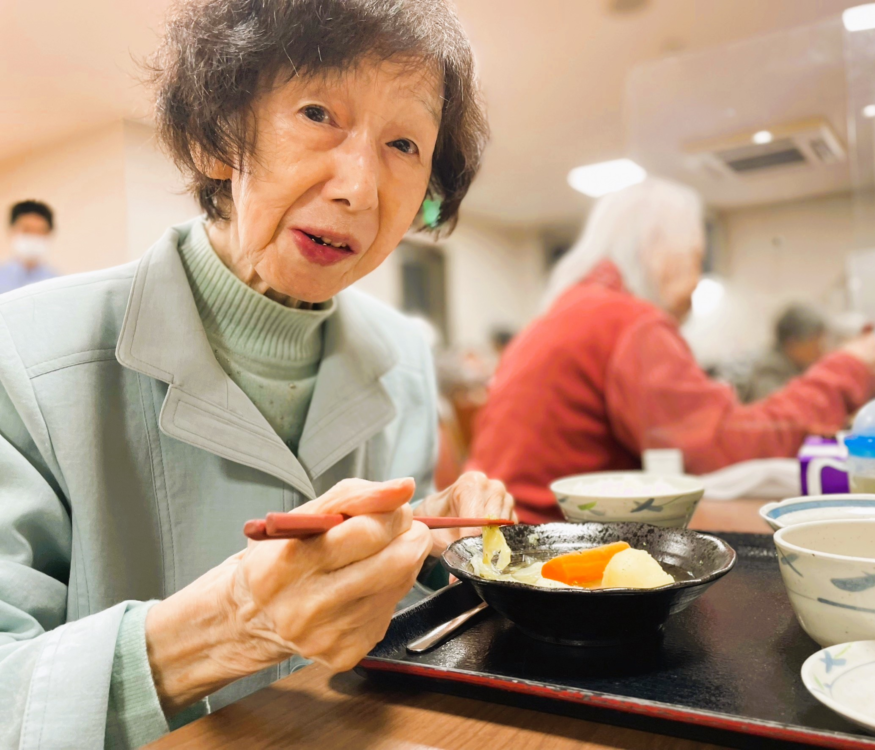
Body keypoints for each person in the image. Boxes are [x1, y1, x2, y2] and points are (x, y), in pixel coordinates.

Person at [0, 2, 516, 747]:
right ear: (216, 137)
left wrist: (430, 546)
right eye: (317, 113)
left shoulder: (402, 356)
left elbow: (386, 641)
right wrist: (238, 623)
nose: (360, 190)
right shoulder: (22, 354)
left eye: (403, 144)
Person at [466, 179, 875, 524]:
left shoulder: (572, 308)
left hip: (490, 544)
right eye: (696, 259)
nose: (697, 282)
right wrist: (849, 368)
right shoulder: (630, 321)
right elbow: (724, 448)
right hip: (542, 560)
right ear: (658, 249)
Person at [739, 304, 829, 402]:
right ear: (792, 343)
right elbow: (778, 410)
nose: (821, 351)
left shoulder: (796, 367)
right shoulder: (770, 371)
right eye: (815, 344)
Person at [0, 200, 59, 294]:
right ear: (11, 230)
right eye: (27, 230)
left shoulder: (59, 282)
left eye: (40, 231)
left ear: (49, 233)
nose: (34, 237)